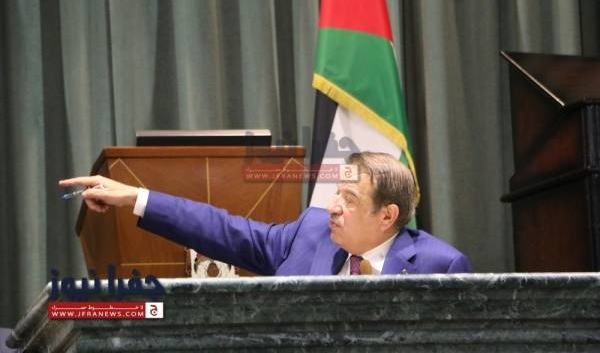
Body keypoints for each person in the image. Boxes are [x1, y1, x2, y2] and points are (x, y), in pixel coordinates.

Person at [59, 152, 471, 275]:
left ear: (387, 216)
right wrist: (136, 197)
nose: (332, 207)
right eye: (336, 193)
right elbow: (222, 229)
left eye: (349, 199)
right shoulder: (310, 231)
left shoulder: (440, 266)